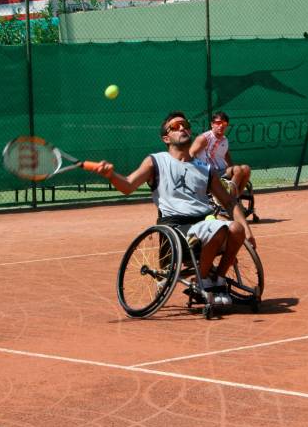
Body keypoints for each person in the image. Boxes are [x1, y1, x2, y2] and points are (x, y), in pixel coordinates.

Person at [88, 111, 255, 306]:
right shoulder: (156, 161)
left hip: (205, 222)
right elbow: (128, 185)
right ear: (166, 138)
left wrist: (248, 232)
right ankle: (202, 283)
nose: (182, 128)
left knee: (236, 229)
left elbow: (229, 202)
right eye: (175, 127)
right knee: (217, 230)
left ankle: (216, 280)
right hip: (176, 228)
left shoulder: (204, 168)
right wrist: (111, 175)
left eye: (184, 125)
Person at [190, 111, 251, 199]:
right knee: (238, 170)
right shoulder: (203, 138)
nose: (221, 126)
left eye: (224, 123)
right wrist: (197, 171)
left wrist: (235, 171)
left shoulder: (224, 140)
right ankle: (227, 201)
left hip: (222, 171)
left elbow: (226, 155)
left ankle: (235, 198)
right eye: (218, 123)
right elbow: (191, 154)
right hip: (208, 173)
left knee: (246, 168)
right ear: (212, 124)